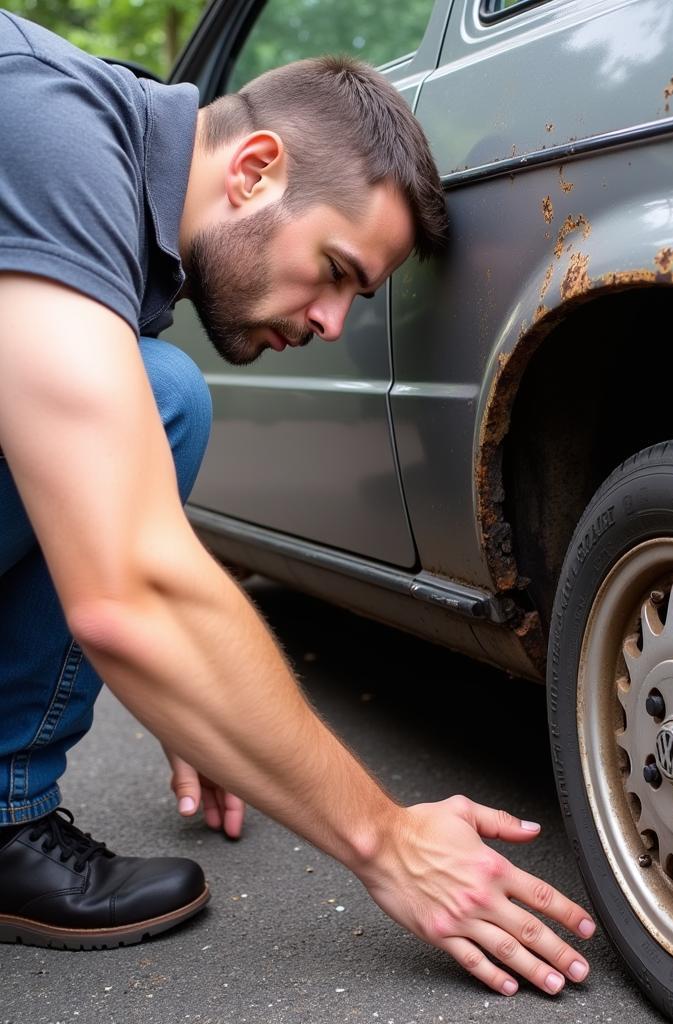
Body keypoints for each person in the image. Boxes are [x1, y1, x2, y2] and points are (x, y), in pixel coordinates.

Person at [0, 10, 594, 998]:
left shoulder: (102, 154)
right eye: (336, 274)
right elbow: (129, 595)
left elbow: (108, 520)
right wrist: (384, 838)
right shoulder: (48, 131)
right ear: (255, 170)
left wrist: (193, 682)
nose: (329, 322)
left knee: (158, 395)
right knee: (158, 399)